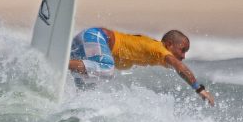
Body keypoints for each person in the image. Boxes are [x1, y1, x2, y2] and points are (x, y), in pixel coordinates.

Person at [68, 27, 215, 106]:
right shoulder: (159, 50)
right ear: (169, 44)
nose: (183, 56)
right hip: (96, 37)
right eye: (182, 50)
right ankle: (63, 63)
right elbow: (180, 67)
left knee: (86, 92)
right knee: (106, 70)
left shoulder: (153, 48)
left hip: (87, 43)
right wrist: (199, 89)